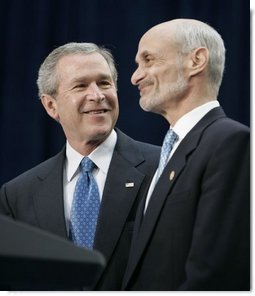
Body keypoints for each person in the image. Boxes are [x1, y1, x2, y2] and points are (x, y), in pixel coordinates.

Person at [0, 42, 160, 290]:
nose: (97, 95)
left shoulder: (163, 168)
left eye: (104, 83)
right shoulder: (18, 194)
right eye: (81, 85)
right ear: (51, 106)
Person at [122, 19, 250, 291]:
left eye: (148, 60)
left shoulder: (231, 142)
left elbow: (216, 273)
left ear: (197, 60)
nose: (135, 76)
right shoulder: (166, 156)